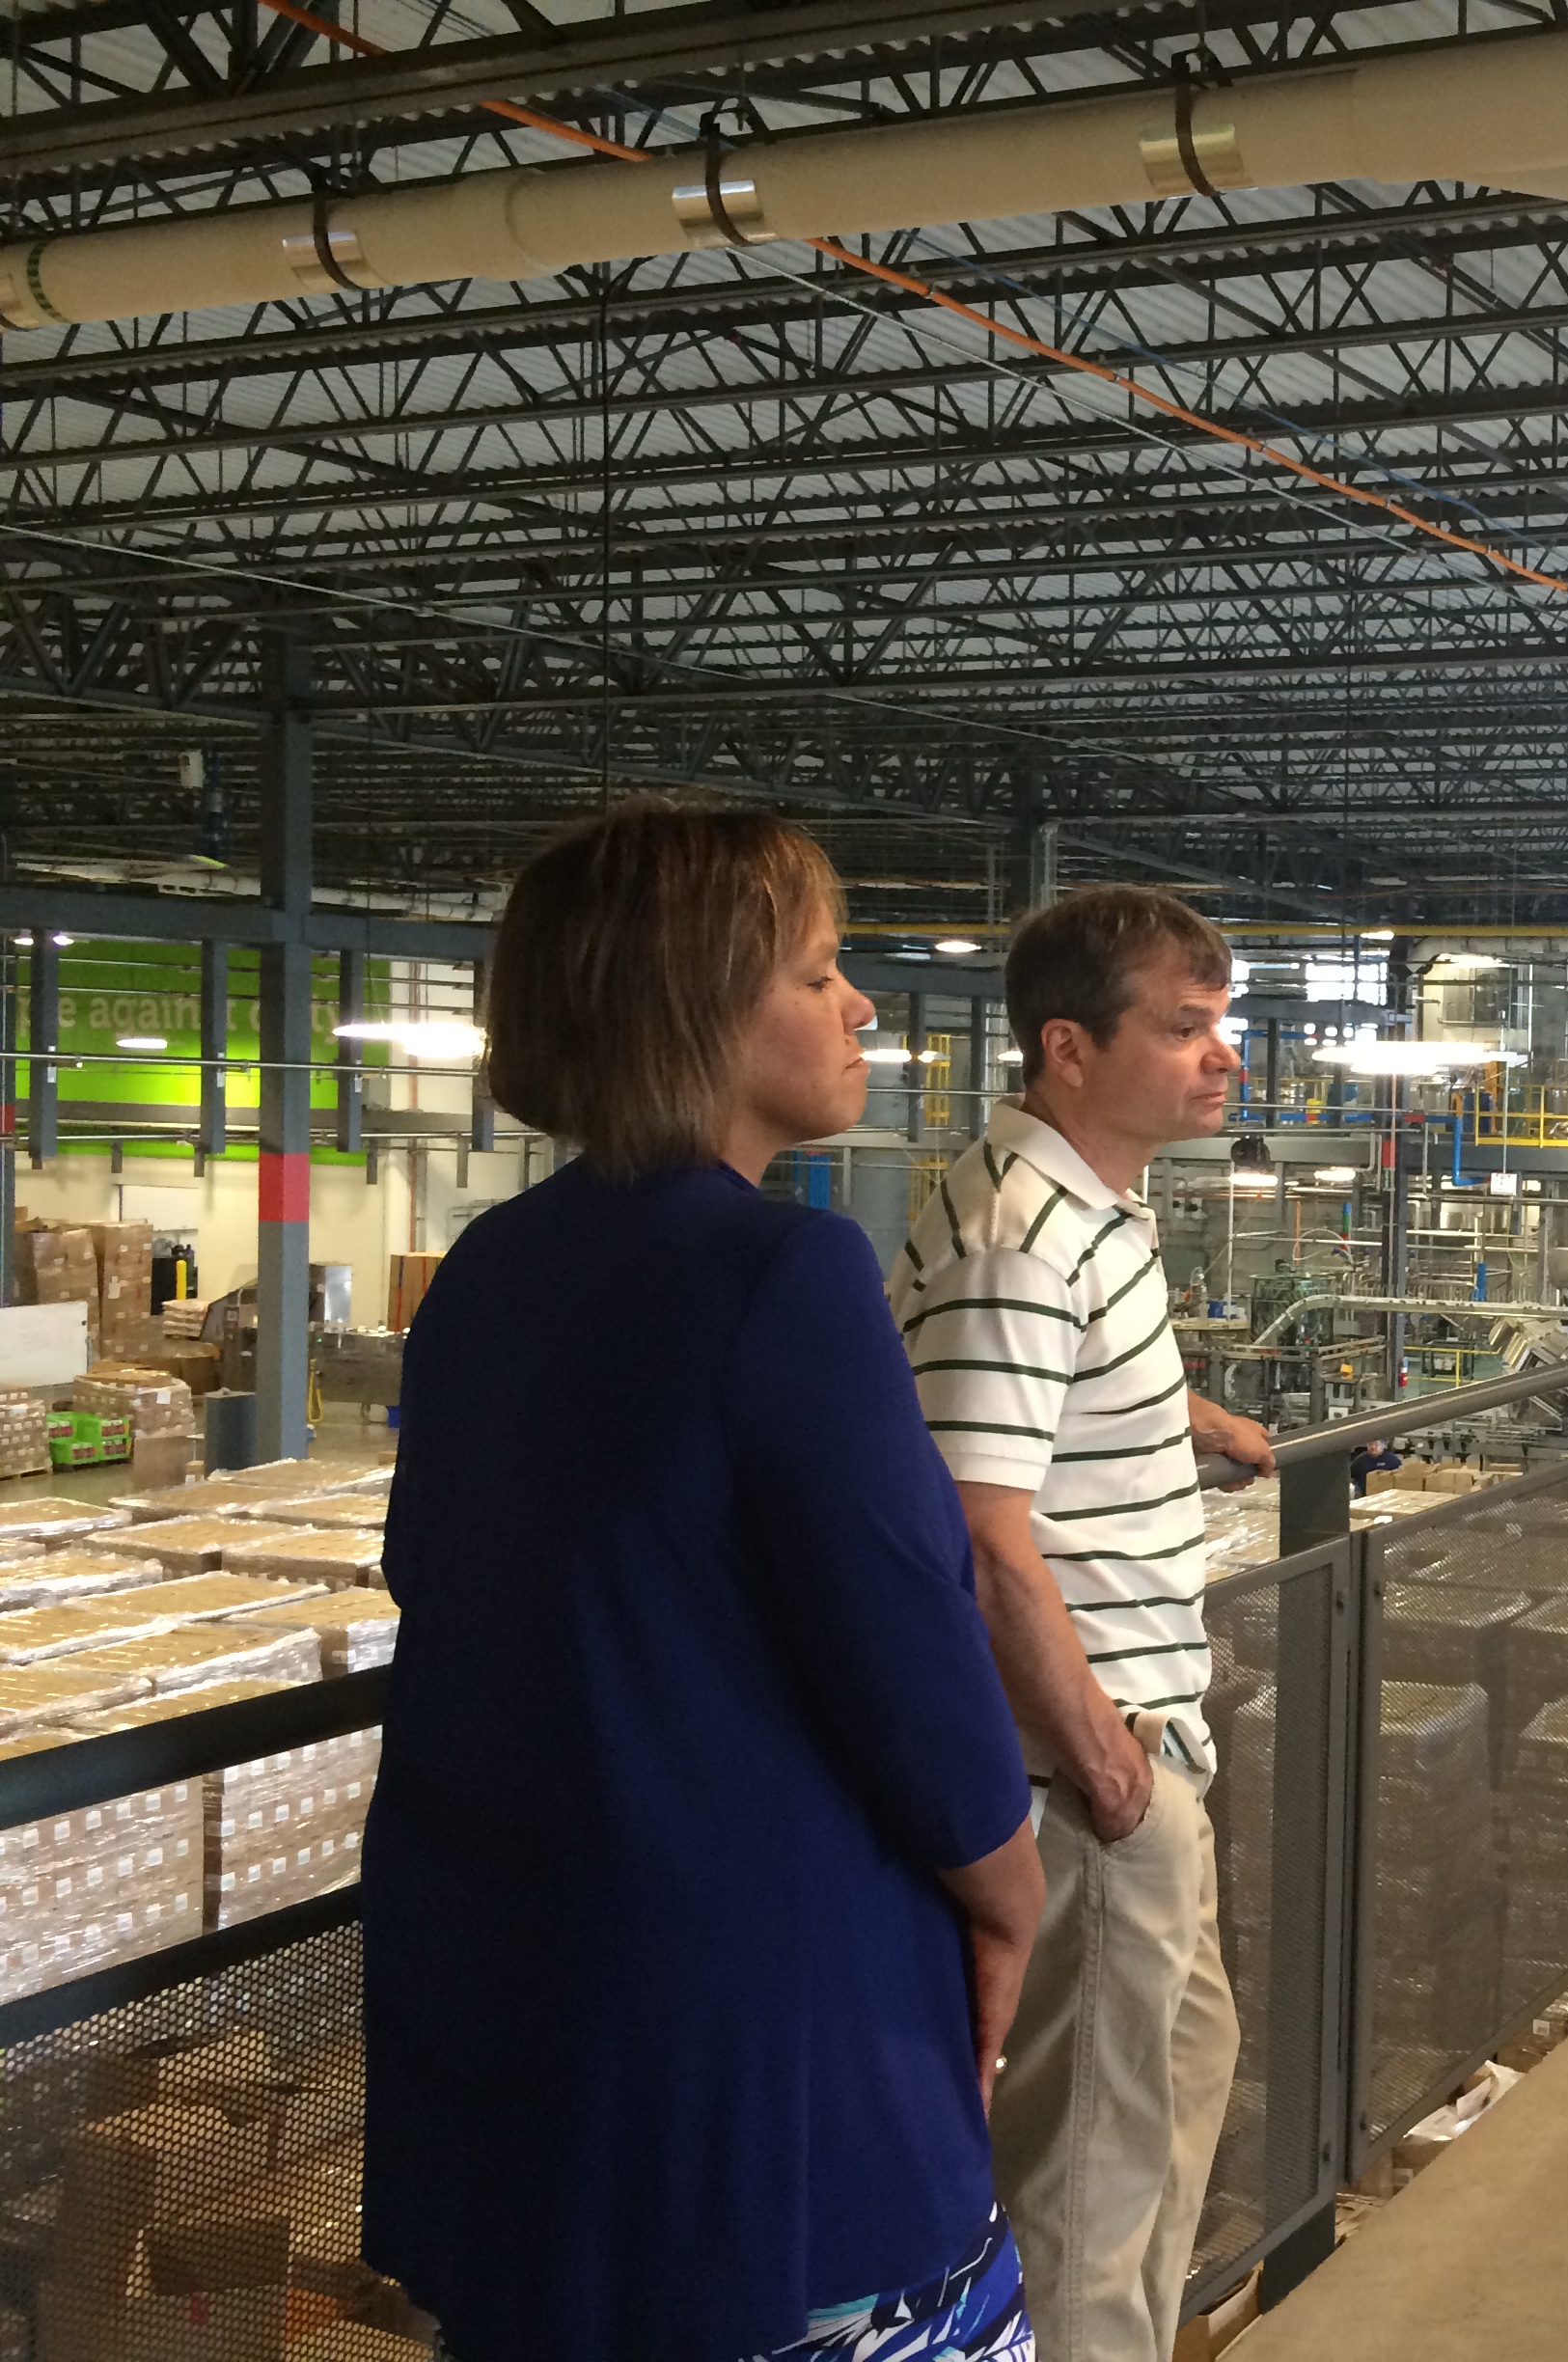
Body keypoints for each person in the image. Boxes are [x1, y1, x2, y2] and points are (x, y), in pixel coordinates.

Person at [366, 801, 1047, 2362]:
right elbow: (915, 1658)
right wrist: (1013, 1898)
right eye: (818, 973)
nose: (862, 1004)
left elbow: (452, 1589)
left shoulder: (492, 1273)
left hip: (516, 2012)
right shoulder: (780, 1277)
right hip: (762, 2048)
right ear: (701, 1011)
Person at [889, 884, 1276, 2362]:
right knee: (1086, 2180)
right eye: (1184, 1030)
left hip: (1139, 1737)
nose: (1222, 1058)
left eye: (1219, 1026)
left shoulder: (1085, 1204)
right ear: (1068, 1046)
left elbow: (1042, 1397)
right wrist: (1105, 1767)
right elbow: (986, 1545)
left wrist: (1197, 1418)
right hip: (1087, 1765)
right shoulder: (1019, 1237)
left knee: (1181, 2069)